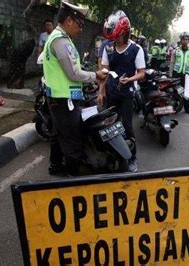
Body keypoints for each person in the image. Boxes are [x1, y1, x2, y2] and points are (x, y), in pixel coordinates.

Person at [43, 1, 108, 176]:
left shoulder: (57, 38)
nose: (80, 29)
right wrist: (96, 75)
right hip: (64, 100)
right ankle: (73, 178)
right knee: (72, 140)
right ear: (69, 21)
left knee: (59, 134)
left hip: (58, 98)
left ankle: (55, 166)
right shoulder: (60, 40)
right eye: (79, 24)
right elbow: (73, 74)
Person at [97, 10, 146, 172]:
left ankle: (132, 157)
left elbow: (141, 73)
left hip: (126, 94)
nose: (114, 40)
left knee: (126, 125)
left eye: (117, 36)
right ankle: (114, 154)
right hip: (111, 92)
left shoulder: (136, 49)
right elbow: (104, 71)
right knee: (111, 125)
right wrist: (101, 91)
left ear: (125, 33)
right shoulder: (108, 48)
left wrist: (130, 79)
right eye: (113, 37)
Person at [169, 31, 189, 115]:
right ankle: (174, 107)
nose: (185, 41)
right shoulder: (175, 51)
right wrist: (170, 74)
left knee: (188, 92)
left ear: (188, 40)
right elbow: (172, 62)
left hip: (187, 74)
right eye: (183, 39)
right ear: (180, 40)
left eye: (187, 39)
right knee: (175, 91)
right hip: (176, 74)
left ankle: (187, 109)